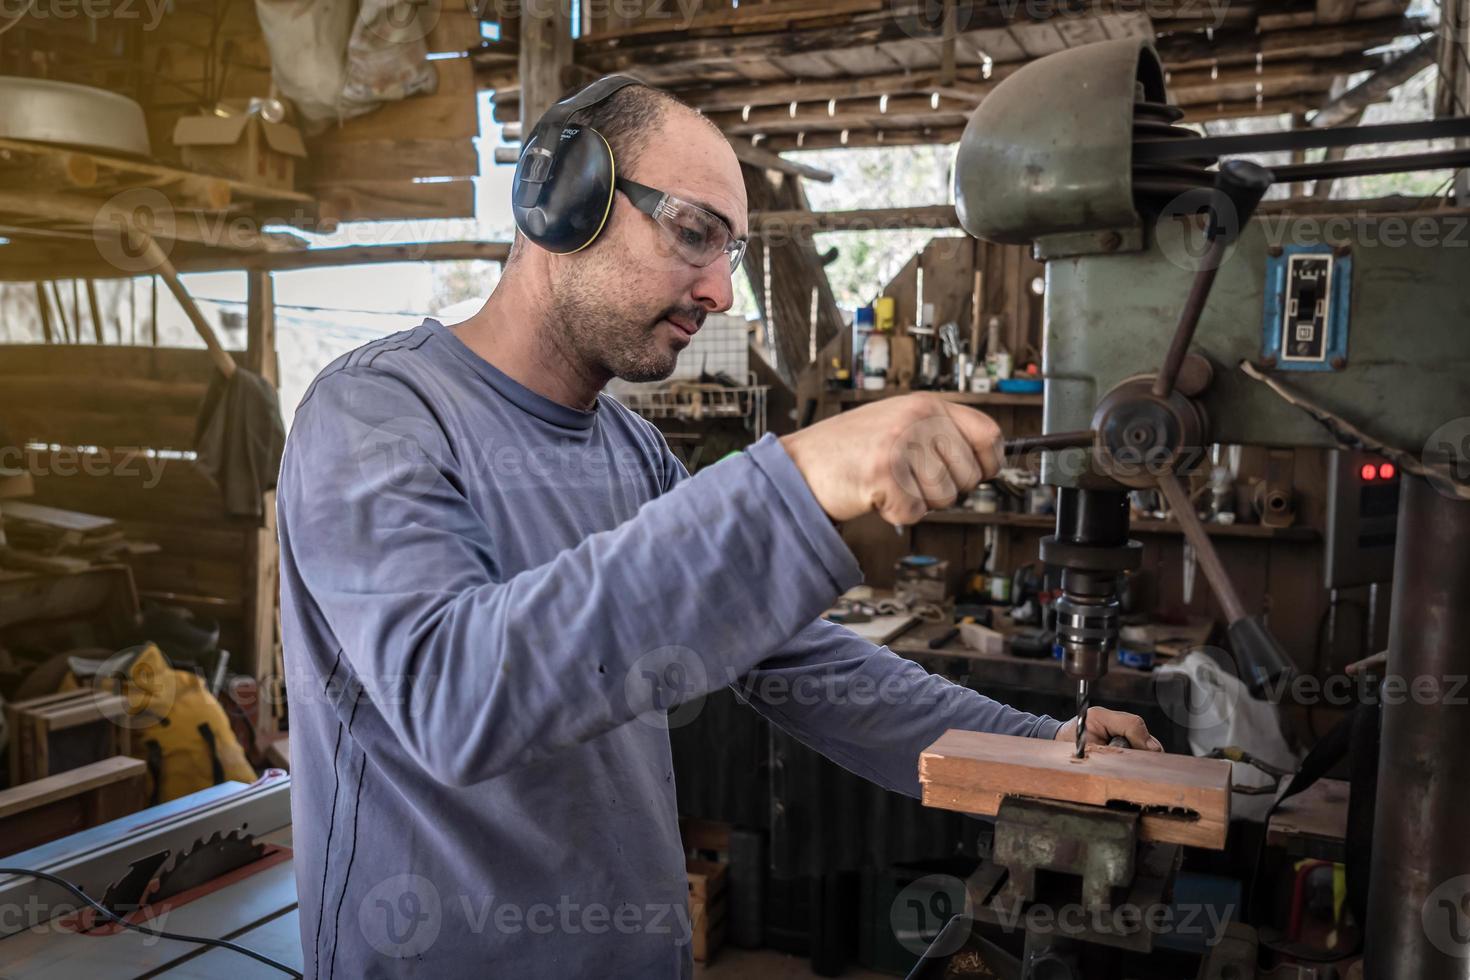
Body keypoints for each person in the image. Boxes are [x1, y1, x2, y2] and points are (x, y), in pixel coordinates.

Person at [276, 80, 1160, 980]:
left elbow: (806, 666)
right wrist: (799, 478)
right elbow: (453, 696)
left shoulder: (633, 452)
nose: (722, 291)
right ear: (562, 199)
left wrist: (1032, 751)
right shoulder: (377, 413)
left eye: (732, 251)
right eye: (695, 234)